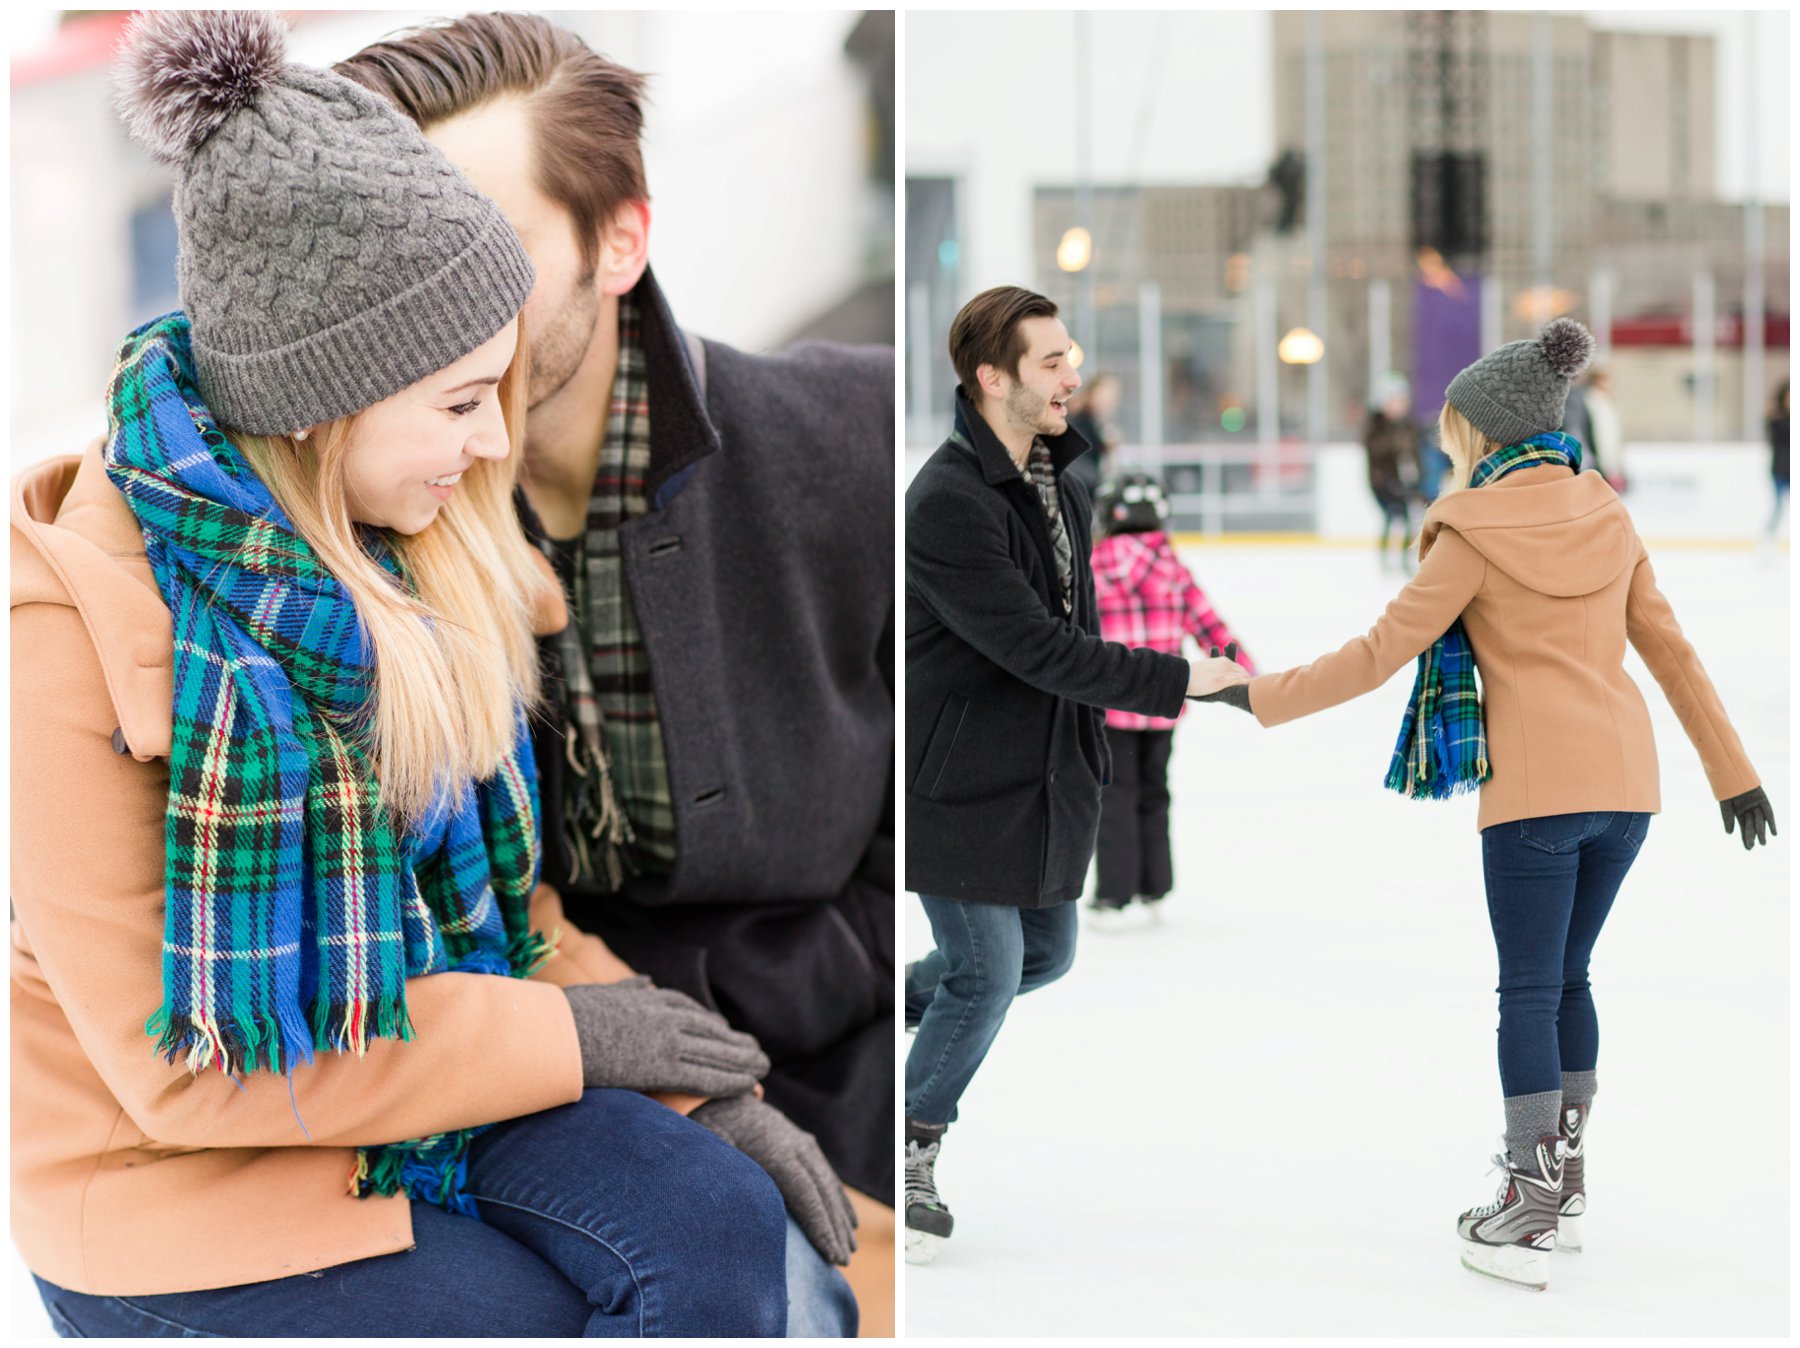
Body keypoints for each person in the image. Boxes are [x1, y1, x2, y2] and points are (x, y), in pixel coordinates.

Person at [12, 11, 852, 1336]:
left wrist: (700, 1095)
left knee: (721, 1230)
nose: (493, 439)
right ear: (322, 397)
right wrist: (582, 1048)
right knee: (528, 1313)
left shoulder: (420, 545)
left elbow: (509, 921)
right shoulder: (68, 631)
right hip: (193, 1177)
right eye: (459, 401)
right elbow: (183, 1073)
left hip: (441, 1088)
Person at [334, 13, 895, 1317]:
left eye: (490, 246)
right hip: (544, 1095)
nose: (439, 304)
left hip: (858, 1074)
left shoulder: (854, 444)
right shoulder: (359, 524)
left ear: (619, 242)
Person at [1194, 317, 1776, 1290]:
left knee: (1528, 991)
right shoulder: (1606, 509)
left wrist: (1253, 694)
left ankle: (1527, 1205)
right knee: (1571, 980)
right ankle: (1564, 1181)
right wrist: (1735, 772)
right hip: (1626, 788)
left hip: (1536, 795)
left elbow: (1376, 656)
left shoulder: (1472, 527)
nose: (1442, 438)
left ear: (1485, 431)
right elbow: (1670, 652)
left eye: (1454, 424)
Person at [903, 286, 1249, 1264]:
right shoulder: (944, 503)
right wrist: (1179, 677)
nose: (1072, 373)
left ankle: (895, 1002)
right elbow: (1036, 647)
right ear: (992, 377)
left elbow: (1081, 629)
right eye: (1051, 360)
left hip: (1049, 772)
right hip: (957, 780)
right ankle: (909, 1143)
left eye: (1070, 357)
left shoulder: (1064, 479)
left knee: (1045, 955)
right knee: (988, 970)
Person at [1087, 472, 1256, 927]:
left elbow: (1077, 635)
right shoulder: (1174, 569)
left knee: (1115, 794)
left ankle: (1114, 895)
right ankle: (1153, 887)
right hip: (1165, 703)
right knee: (1154, 791)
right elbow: (1209, 625)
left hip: (1114, 702)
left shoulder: (1096, 565)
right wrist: (1247, 673)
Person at [1362, 372, 1421, 571]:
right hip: (1383, 484)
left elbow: (1415, 453)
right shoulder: (1376, 427)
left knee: (1408, 519)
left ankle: (1404, 558)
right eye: (1395, 401)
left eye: (1402, 401)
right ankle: (1385, 558)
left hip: (1404, 481)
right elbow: (1376, 452)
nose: (1400, 405)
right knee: (1392, 517)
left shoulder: (1409, 425)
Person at [1063, 371, 1122, 509]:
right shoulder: (1079, 418)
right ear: (1092, 394)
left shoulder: (1098, 421)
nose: (1110, 402)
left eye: (1113, 398)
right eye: (1106, 396)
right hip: (1082, 483)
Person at [1765, 378, 1789, 552]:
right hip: (1780, 470)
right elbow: (1775, 441)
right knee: (1778, 508)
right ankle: (1768, 541)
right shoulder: (1777, 419)